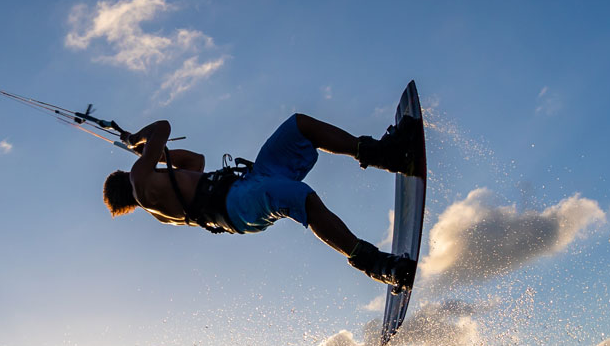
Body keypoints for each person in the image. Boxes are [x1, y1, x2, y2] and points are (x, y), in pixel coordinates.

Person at [104, 112, 420, 287]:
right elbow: (162, 126)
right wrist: (136, 141)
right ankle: (376, 264)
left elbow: (195, 161)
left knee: (299, 126)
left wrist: (150, 152)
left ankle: (385, 155)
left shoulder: (155, 192)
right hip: (237, 205)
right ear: (125, 178)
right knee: (301, 197)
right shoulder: (139, 181)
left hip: (248, 182)